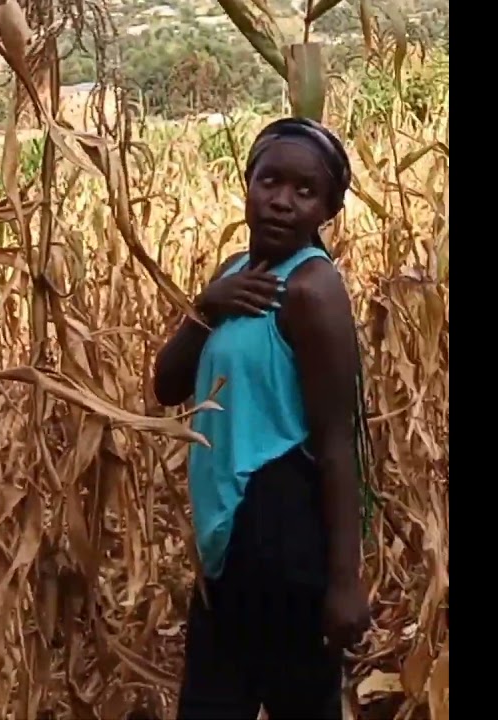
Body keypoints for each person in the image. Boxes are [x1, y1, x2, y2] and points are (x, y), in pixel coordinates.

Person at [152, 117, 374, 719]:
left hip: (283, 526)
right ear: (246, 182)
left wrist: (345, 582)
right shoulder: (232, 274)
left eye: (305, 191)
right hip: (228, 538)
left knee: (298, 702)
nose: (281, 201)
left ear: (327, 209)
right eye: (270, 180)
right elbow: (167, 388)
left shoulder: (311, 288)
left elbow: (335, 442)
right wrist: (204, 308)